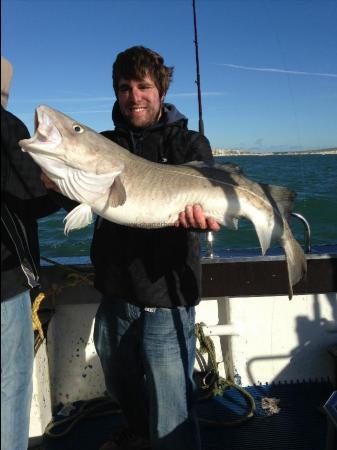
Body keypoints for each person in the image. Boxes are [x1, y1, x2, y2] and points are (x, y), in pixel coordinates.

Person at [91, 46, 220, 450]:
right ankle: (141, 432)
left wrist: (203, 217)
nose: (135, 96)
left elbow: (210, 203)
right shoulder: (104, 145)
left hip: (167, 292)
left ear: (160, 89)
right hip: (115, 290)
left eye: (144, 86)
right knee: (117, 379)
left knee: (172, 410)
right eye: (125, 87)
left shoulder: (190, 144)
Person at [1, 58, 58, 450]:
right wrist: (61, 184)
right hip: (5, 283)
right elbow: (32, 200)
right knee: (10, 381)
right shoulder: (7, 128)